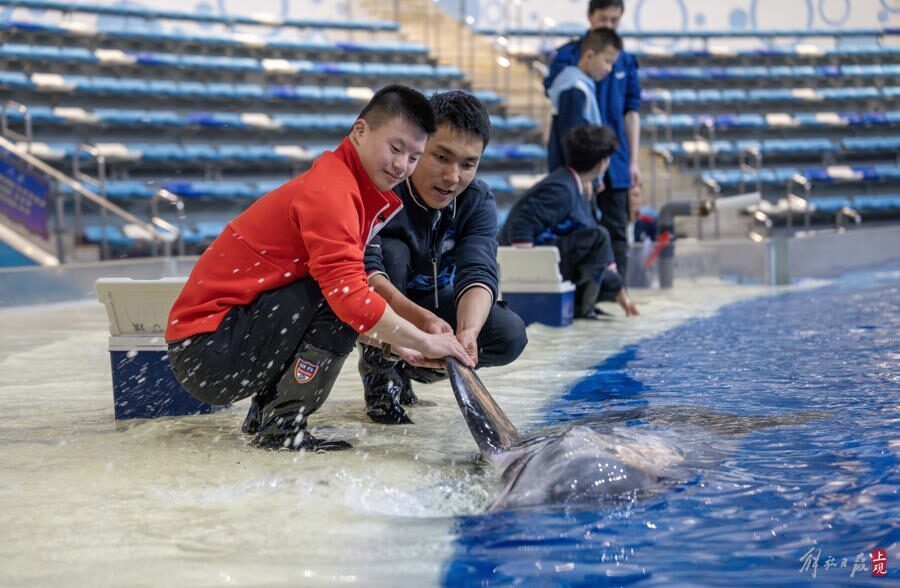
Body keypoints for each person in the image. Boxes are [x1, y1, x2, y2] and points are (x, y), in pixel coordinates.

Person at [164, 85, 473, 452]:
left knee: (342, 293)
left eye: (413, 157)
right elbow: (348, 299)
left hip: (214, 342)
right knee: (341, 298)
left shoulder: (345, 185)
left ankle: (268, 417)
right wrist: (422, 340)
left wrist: (401, 343)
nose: (400, 166)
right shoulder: (333, 192)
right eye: (395, 148)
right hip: (208, 351)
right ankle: (283, 427)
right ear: (360, 131)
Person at [359, 90, 528, 425]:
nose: (453, 177)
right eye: (441, 157)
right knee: (391, 253)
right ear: (418, 147)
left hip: (437, 302)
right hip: (381, 307)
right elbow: (363, 273)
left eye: (468, 164)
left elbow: (479, 268)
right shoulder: (384, 188)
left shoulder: (477, 200)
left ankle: (412, 369)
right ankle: (382, 374)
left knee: (509, 334)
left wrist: (468, 332)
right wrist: (414, 328)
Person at [544, 0, 642, 281]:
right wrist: (578, 168)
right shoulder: (568, 58)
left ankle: (615, 290)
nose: (609, 26)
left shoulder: (624, 59)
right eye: (603, 19)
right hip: (579, 158)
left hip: (617, 156)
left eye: (615, 21)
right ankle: (581, 290)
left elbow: (631, 111)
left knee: (616, 227)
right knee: (576, 225)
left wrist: (633, 160)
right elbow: (563, 109)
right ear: (590, 16)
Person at [499, 124, 638, 318]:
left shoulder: (576, 186)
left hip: (548, 255)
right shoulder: (562, 190)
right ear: (602, 163)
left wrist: (622, 294)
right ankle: (583, 309)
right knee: (600, 237)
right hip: (530, 262)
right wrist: (528, 283)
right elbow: (520, 227)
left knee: (613, 281)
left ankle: (581, 304)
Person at [546, 27, 622, 173]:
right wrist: (582, 176)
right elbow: (571, 142)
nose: (609, 69)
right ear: (589, 56)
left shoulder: (583, 85)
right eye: (607, 61)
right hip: (574, 178)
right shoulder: (574, 89)